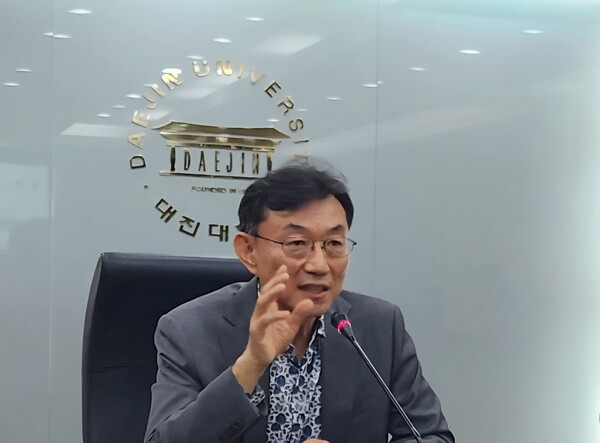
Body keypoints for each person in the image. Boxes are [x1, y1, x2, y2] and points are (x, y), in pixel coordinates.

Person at [144, 161, 454, 443]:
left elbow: (431, 437)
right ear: (248, 251)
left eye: (333, 243)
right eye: (297, 243)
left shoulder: (379, 327)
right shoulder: (189, 331)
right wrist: (250, 365)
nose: (319, 265)